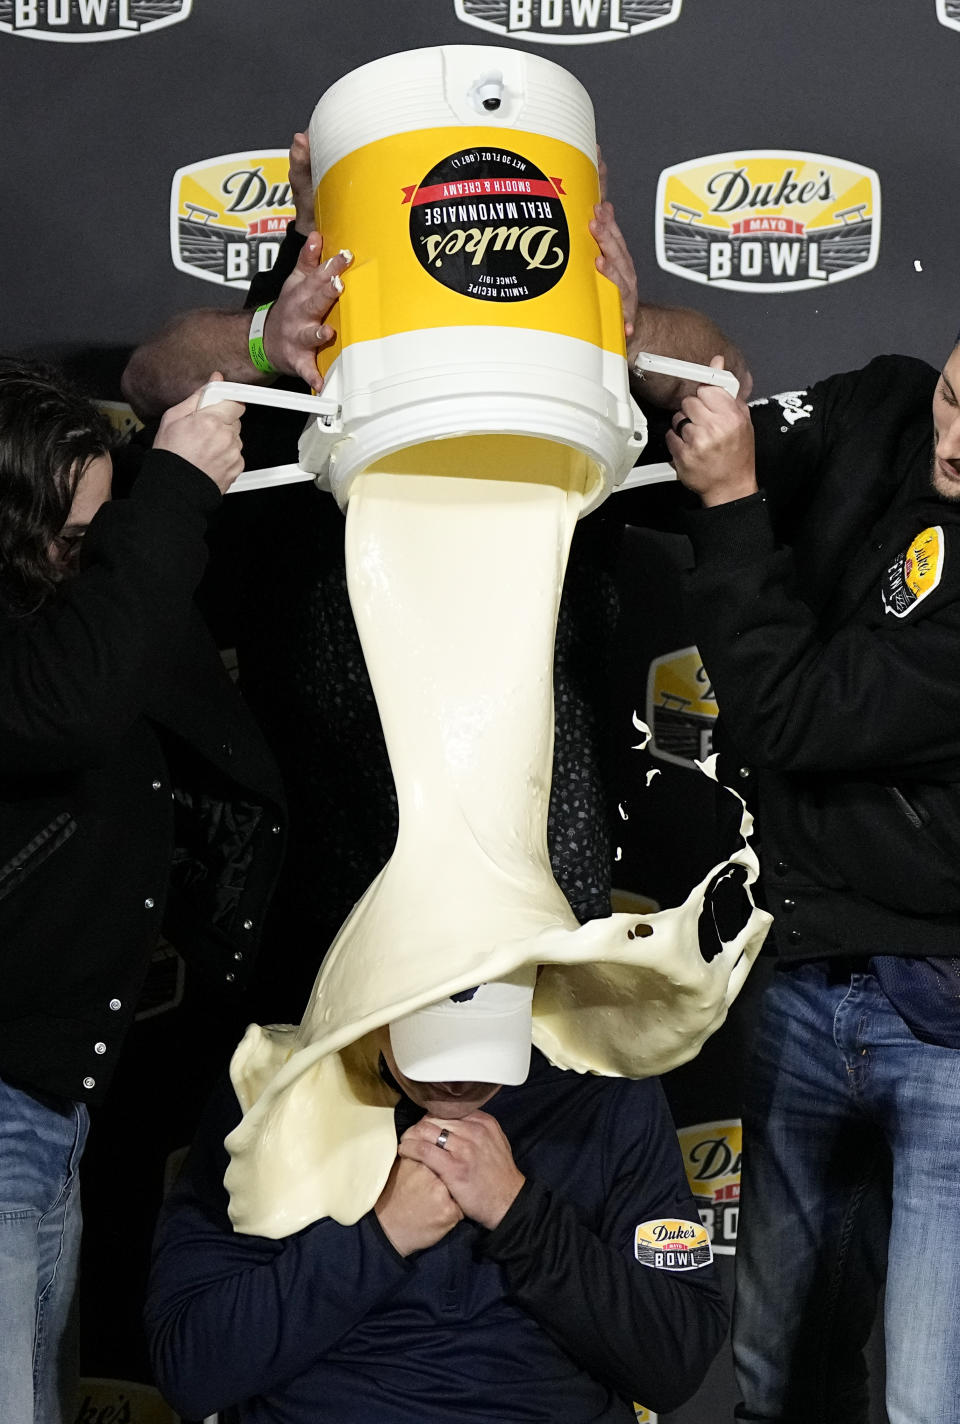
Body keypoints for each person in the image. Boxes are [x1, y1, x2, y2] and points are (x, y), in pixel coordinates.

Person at [120, 135, 752, 1011]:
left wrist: (624, 324)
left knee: (521, 1053)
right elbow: (154, 372)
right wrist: (272, 332)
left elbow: (720, 368)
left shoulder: (574, 321)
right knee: (335, 1043)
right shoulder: (323, 294)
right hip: (331, 768)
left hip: (537, 772)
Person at [665, 346, 960, 1424]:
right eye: (954, 399)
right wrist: (617, 318)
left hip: (947, 1028)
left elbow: (794, 717)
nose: (955, 443)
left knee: (932, 1413)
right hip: (805, 982)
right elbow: (692, 436)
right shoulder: (884, 400)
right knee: (777, 1387)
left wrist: (735, 503)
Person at [0, 358, 288, 1424]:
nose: (90, 564)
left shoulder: (67, 617)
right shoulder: (48, 658)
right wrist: (170, 490)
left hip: (44, 1112)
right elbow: (71, 704)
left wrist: (271, 324)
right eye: (73, 541)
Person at [145, 982, 728, 1424]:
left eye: (482, 1049)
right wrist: (379, 1238)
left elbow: (672, 1363)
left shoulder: (608, 1092)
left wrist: (519, 1213)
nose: (455, 1081)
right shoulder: (276, 1085)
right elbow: (191, 1366)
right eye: (432, 1047)